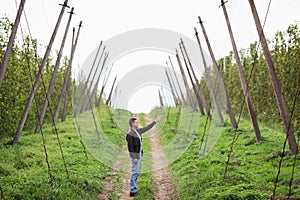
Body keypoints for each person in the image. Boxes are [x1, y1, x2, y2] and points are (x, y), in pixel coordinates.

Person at [126, 116, 163, 197]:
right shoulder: (130, 134)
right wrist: (134, 157)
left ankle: (133, 189)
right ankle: (132, 191)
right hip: (135, 156)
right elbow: (130, 147)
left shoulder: (138, 131)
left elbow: (147, 127)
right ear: (132, 124)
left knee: (137, 172)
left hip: (139, 155)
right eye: (136, 122)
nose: (137, 123)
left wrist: (155, 121)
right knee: (135, 173)